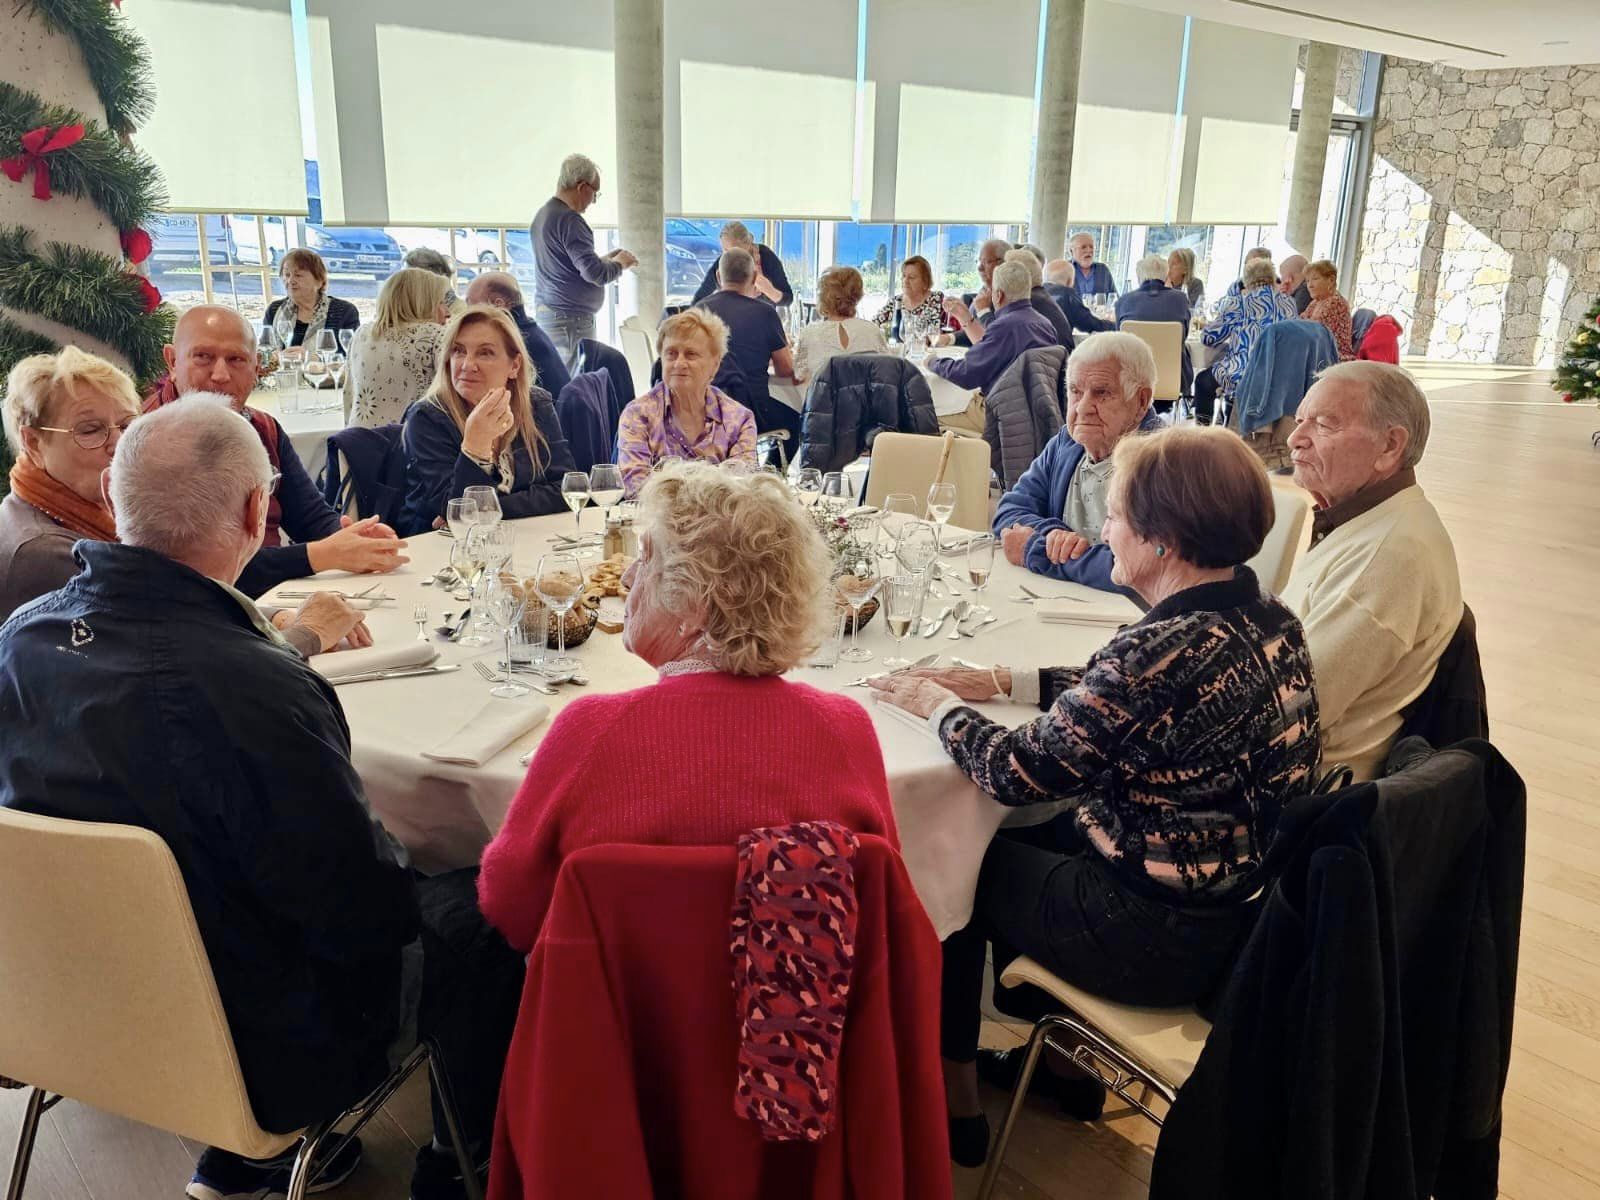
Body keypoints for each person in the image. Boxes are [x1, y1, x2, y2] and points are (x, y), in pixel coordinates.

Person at [0, 397, 524, 1200]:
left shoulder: (23, 637)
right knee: (483, 900)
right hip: (258, 1045)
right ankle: (464, 1157)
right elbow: (364, 917)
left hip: (61, 1006)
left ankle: (244, 1151)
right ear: (256, 510)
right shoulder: (255, 688)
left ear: (113, 494)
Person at [869, 425, 1319, 1167]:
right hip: (1245, 913)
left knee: (955, 866)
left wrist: (932, 701)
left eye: (1113, 516)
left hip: (1158, 934)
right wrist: (998, 682)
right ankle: (1065, 1072)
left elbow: (1016, 772)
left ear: (1162, 539)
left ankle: (953, 1104)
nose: (1102, 532)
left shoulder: (1152, 653)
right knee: (1016, 841)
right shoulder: (1266, 616)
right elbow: (1122, 702)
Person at [478, 461, 899, 953]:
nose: (630, 573)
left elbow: (509, 904)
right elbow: (881, 910)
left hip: (612, 1021)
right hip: (795, 1022)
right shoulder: (845, 731)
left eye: (648, 558)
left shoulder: (588, 732)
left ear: (697, 603)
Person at [1, 349, 367, 656]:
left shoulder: (72, 513)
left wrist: (272, 616)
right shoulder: (42, 553)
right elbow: (174, 669)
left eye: (128, 425)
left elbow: (176, 599)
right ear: (33, 443)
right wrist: (310, 634)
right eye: (91, 430)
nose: (117, 444)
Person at [146, 305, 409, 598]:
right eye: (203, 357)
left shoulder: (263, 428)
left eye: (236, 360)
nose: (220, 375)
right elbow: (196, 567)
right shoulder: (149, 443)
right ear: (171, 361)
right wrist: (319, 555)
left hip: (277, 595)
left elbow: (309, 517)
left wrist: (352, 537)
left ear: (257, 366)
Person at [1284, 362, 1461, 780]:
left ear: (1389, 447)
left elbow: (1283, 712)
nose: (1294, 439)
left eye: (1324, 425)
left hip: (1299, 798)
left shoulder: (1387, 557)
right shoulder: (1373, 519)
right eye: (1299, 420)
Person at [992, 333, 1161, 590]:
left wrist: (1036, 549)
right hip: (1062, 598)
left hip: (1128, 616)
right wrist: (1055, 536)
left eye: (1101, 393)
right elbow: (1008, 511)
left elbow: (1142, 569)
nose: (1082, 408)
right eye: (1075, 391)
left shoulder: (1163, 462)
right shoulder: (1067, 443)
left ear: (1140, 401)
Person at [400, 305, 577, 535]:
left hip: (522, 540)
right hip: (440, 551)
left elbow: (566, 489)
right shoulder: (427, 418)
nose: (467, 365)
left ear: (514, 365)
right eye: (458, 351)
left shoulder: (535, 405)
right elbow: (462, 517)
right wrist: (475, 447)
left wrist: (491, 508)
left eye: (485, 353)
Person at [615, 309, 756, 496]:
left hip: (718, 522)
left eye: (690, 354)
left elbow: (741, 489)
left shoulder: (739, 419)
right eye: (671, 354)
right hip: (656, 521)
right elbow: (635, 487)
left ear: (715, 364)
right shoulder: (638, 415)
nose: (679, 363)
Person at [530, 153, 636, 369]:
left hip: (553, 314)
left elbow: (570, 267)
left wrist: (605, 259)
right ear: (582, 187)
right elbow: (594, 274)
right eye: (594, 193)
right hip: (570, 321)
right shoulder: (570, 220)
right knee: (575, 386)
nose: (593, 201)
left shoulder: (543, 215)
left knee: (558, 378)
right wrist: (620, 264)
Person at [694, 247, 797, 443]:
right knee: (795, 421)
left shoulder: (699, 310)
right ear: (754, 277)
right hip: (752, 410)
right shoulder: (765, 313)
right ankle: (770, 471)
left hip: (705, 411)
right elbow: (785, 369)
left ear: (718, 275)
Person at [927, 259, 1056, 409]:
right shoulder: (1046, 325)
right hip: (1032, 411)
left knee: (932, 411)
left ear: (998, 295)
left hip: (1000, 413)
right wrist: (965, 317)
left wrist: (932, 362)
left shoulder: (1005, 326)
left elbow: (966, 374)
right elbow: (991, 350)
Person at [1196, 257, 1298, 425]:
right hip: (1278, 373)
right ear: (1273, 279)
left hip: (1242, 372)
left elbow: (1209, 338)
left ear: (1246, 281)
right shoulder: (1289, 303)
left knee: (1202, 381)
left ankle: (1203, 433)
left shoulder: (1239, 303)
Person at [345, 267, 450, 427]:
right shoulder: (436, 336)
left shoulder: (362, 333)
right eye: (441, 302)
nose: (447, 311)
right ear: (422, 303)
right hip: (411, 445)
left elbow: (349, 395)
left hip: (358, 442)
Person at [464, 270, 572, 401]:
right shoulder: (530, 331)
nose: (467, 312)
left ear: (498, 304)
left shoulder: (516, 341)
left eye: (470, 304)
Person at [793, 266, 889, 385]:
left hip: (824, 402)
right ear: (857, 296)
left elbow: (798, 375)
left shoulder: (810, 334)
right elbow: (886, 373)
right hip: (864, 403)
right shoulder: (872, 331)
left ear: (823, 297)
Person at [263, 248, 361, 351]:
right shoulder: (274, 310)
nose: (290, 280)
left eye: (298, 275)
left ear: (319, 280)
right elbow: (265, 352)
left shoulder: (344, 312)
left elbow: (353, 354)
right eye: (287, 275)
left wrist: (314, 359)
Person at [689, 220, 794, 308]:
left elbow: (788, 299)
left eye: (737, 250)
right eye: (725, 251)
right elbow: (698, 301)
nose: (732, 257)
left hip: (763, 324)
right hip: (730, 325)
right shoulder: (722, 263)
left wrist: (769, 290)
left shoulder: (765, 257)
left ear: (748, 244)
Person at [937, 237, 1012, 345]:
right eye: (979, 261)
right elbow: (974, 331)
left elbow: (998, 342)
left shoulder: (1011, 295)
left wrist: (984, 311)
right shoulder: (986, 289)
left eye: (986, 262)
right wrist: (949, 338)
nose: (980, 268)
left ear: (1003, 263)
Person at [1002, 248, 1073, 350]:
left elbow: (995, 344)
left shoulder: (1026, 303)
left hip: (1049, 364)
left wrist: (983, 311)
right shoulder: (1039, 297)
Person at [873, 254, 946, 342]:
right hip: (896, 352)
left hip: (931, 352)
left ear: (925, 281)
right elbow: (873, 325)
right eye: (904, 276)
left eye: (911, 277)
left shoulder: (937, 299)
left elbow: (946, 332)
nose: (905, 281)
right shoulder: (896, 301)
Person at [1043, 259, 1116, 337]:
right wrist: (1116, 325)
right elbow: (1090, 324)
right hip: (1060, 346)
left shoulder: (1036, 292)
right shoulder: (1068, 295)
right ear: (1070, 281)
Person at [1302, 259, 1356, 361]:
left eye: (1315, 279)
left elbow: (1314, 333)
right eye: (1307, 281)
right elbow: (1300, 322)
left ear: (1331, 280)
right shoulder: (1315, 302)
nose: (1310, 285)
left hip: (1334, 356)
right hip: (1317, 352)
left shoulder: (1335, 302)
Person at [1066, 232, 1118, 298]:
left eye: (1091, 247)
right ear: (1071, 251)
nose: (1088, 250)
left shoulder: (1103, 270)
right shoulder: (1065, 270)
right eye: (1083, 247)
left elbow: (1114, 298)